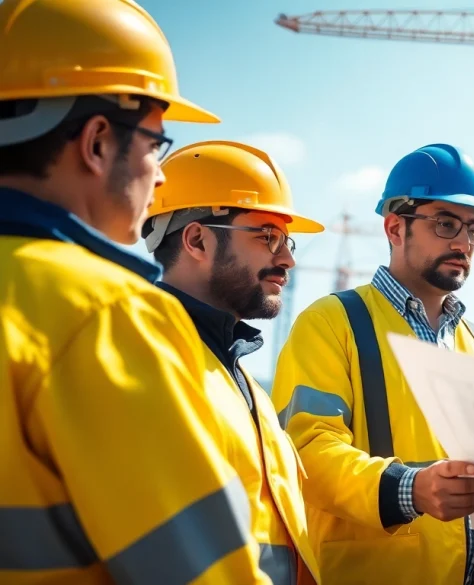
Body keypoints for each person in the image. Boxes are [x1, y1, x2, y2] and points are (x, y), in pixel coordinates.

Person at [0, 0, 282, 582]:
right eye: (156, 143)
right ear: (98, 142)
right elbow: (204, 572)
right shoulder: (105, 311)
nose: (159, 176)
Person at [271, 143, 474, 585]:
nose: (462, 242)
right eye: (446, 223)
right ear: (395, 228)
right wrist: (410, 489)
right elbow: (305, 456)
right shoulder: (332, 324)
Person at [142, 140, 326, 584]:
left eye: (287, 241)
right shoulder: (150, 359)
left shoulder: (241, 380)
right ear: (197, 240)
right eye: (267, 237)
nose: (287, 260)